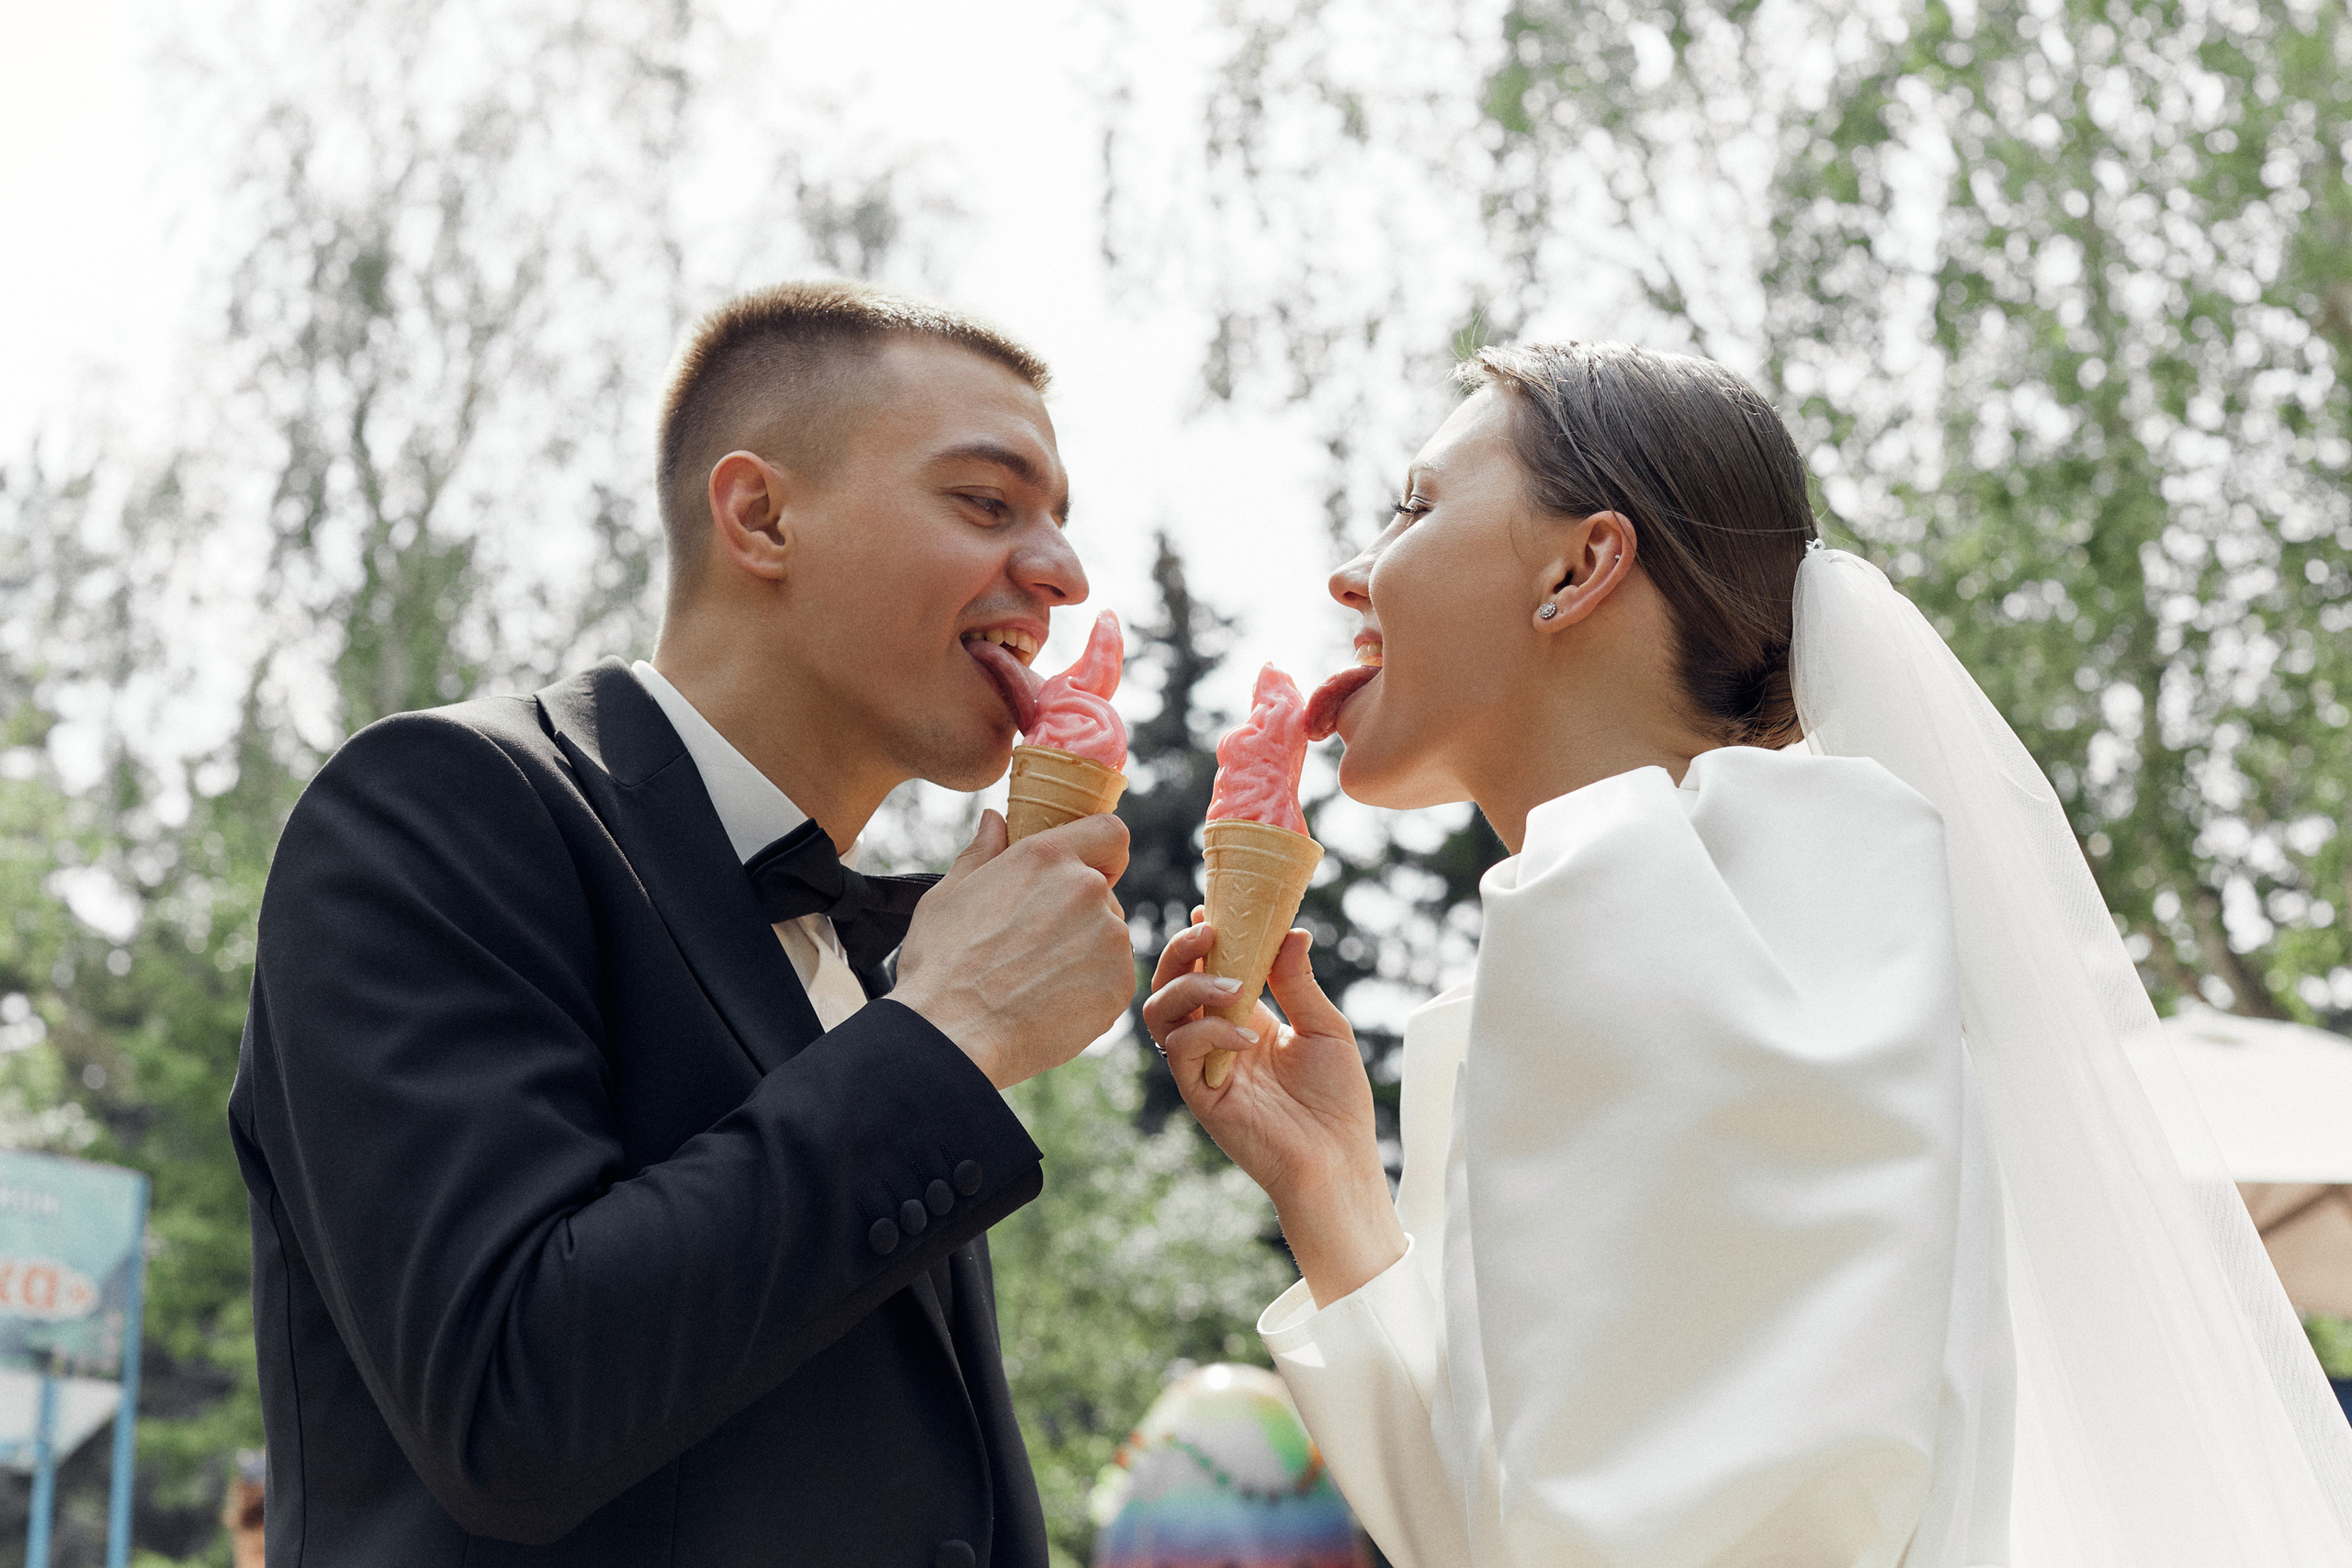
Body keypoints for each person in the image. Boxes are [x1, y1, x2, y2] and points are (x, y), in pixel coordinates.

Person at [1144, 342, 2352, 1566]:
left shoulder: (1676, 912)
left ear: (1577, 567)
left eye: (1412, 508)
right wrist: (1334, 1189)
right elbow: (1506, 1529)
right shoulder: (1672, 917)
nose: (1354, 576)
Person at [228, 281, 1138, 1566]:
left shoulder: (881, 961)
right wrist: (954, 1032)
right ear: (761, 516)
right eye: (987, 504)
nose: (1059, 573)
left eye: (1058, 522)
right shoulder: (440, 805)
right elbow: (509, 1399)